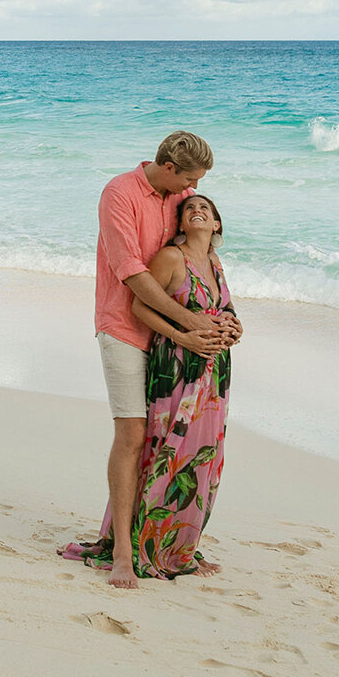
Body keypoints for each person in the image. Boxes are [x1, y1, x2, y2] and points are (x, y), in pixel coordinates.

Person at [62, 131, 236, 590]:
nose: (194, 191)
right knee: (133, 435)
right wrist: (192, 324)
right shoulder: (119, 193)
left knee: (167, 441)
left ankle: (165, 544)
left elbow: (199, 258)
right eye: (191, 179)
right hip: (124, 327)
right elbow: (133, 276)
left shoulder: (182, 194)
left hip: (171, 346)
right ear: (169, 168)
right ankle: (121, 551)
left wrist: (221, 324)